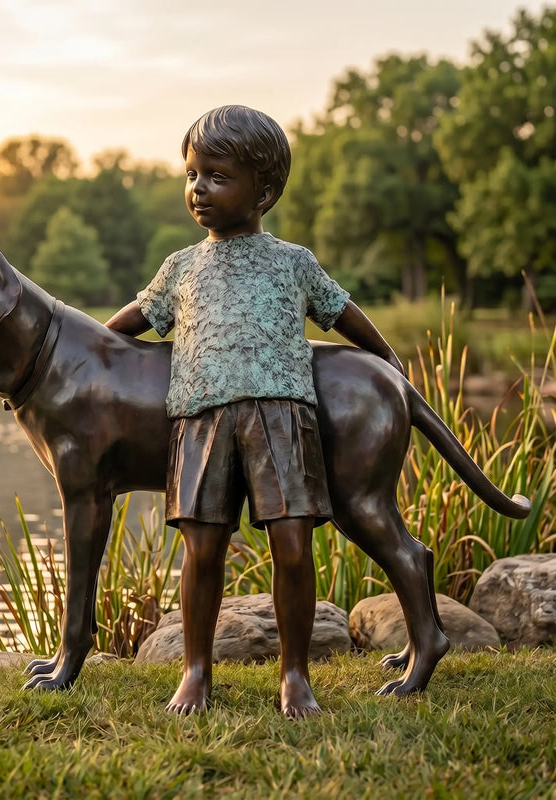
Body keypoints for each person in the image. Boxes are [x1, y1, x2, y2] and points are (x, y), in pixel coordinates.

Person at [105, 105, 403, 717]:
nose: (198, 189)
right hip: (201, 421)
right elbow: (133, 322)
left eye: (217, 176)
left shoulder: (293, 261)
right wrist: (90, 355)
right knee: (203, 549)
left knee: (293, 547)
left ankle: (295, 674)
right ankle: (194, 671)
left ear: (263, 191)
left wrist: (389, 357)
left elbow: (340, 312)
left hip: (283, 420)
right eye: (191, 174)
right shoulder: (180, 267)